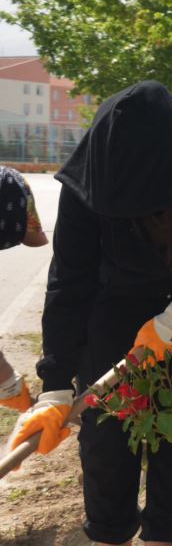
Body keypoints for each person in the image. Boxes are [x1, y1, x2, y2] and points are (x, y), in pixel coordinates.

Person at [8, 81, 172, 545]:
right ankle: (110, 534)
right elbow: (70, 278)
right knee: (105, 442)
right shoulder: (93, 168)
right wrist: (57, 384)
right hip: (115, 304)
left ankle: (167, 534)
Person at [0, 165, 50, 412]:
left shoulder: (9, 184)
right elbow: (35, 238)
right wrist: (9, 386)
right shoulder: (8, 184)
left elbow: (36, 239)